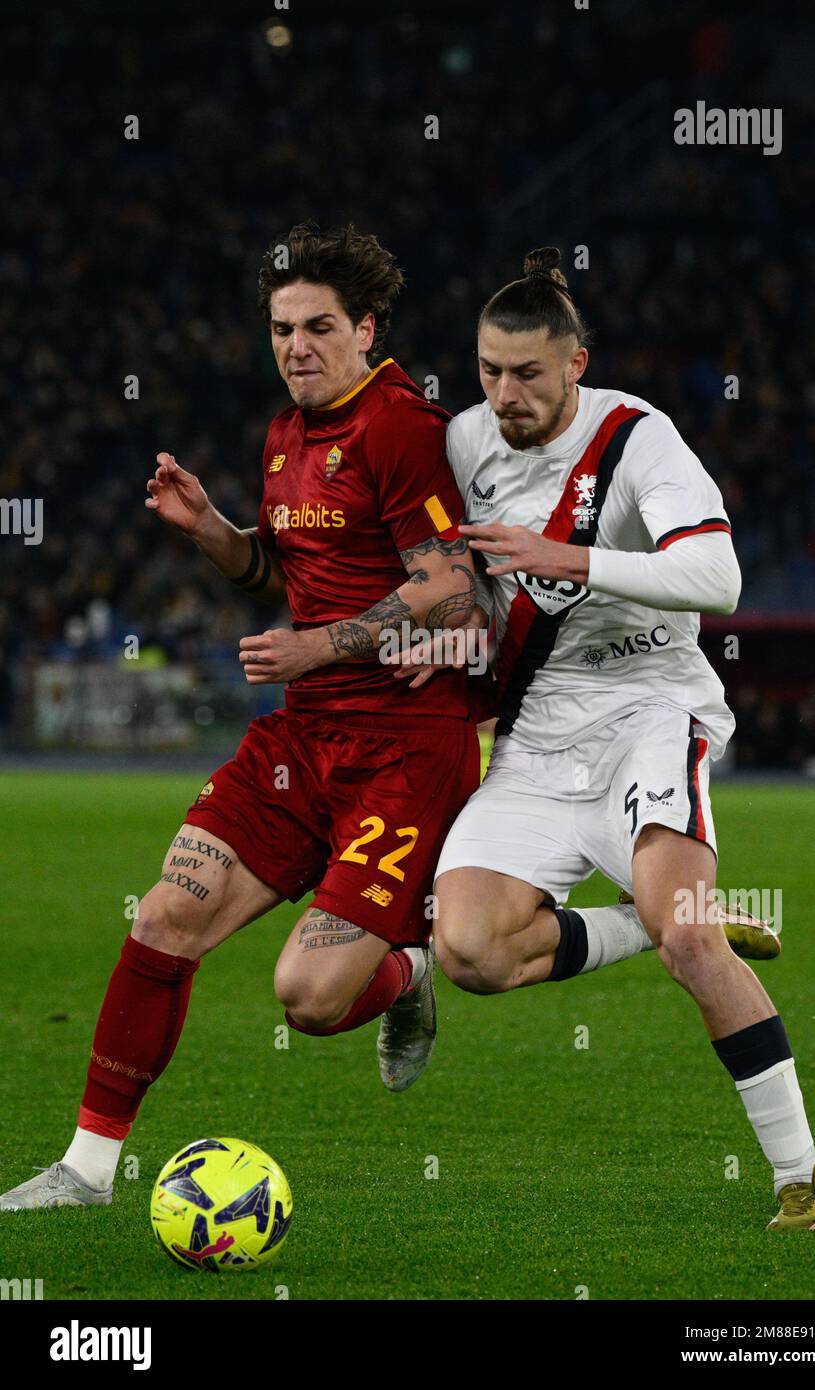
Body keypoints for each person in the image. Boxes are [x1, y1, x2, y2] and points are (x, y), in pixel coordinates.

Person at [0, 222, 485, 1212]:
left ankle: (404, 972)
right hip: (301, 739)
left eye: (316, 327)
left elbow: (448, 583)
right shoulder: (283, 436)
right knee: (165, 911)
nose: (295, 346)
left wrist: (325, 642)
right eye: (278, 328)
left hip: (404, 747)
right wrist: (214, 532)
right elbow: (279, 575)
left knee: (307, 998)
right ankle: (87, 1171)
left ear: (367, 328)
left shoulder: (401, 427)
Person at [432, 246, 815, 1232]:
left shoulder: (636, 441)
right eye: (489, 370)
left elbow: (717, 581)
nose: (505, 392)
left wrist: (564, 555)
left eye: (527, 373)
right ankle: (647, 919)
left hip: (646, 712)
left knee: (690, 940)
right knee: (471, 951)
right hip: (537, 733)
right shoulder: (458, 444)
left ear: (575, 365)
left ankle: (806, 1183)